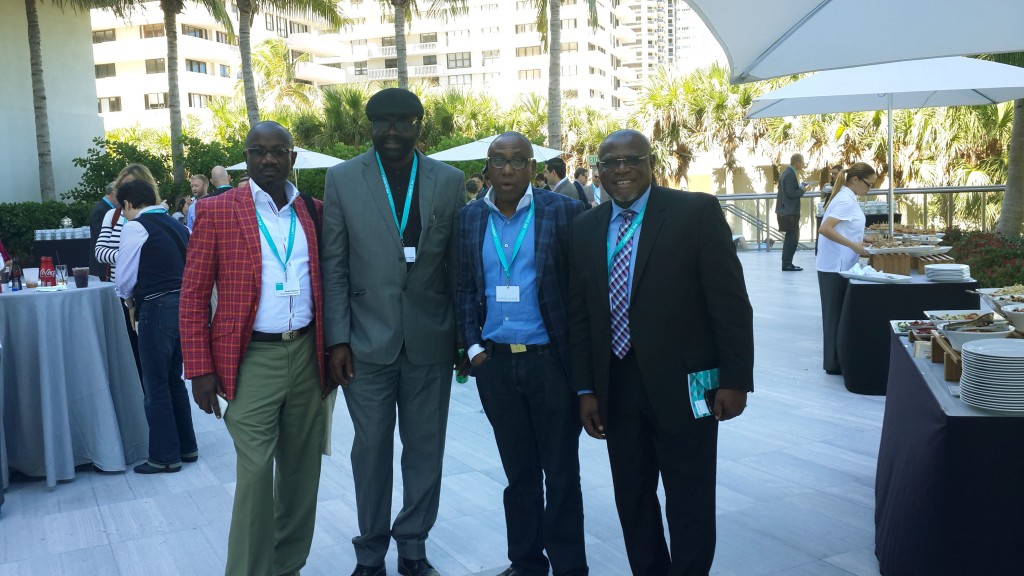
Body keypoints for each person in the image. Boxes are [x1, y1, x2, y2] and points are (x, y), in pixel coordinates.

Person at [568, 130, 754, 575]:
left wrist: (735, 379)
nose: (621, 170)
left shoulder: (695, 212)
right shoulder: (584, 228)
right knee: (631, 498)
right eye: (610, 163)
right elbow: (580, 317)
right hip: (617, 385)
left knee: (689, 498)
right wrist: (585, 389)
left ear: (651, 163)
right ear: (599, 170)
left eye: (632, 159)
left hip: (686, 385)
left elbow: (729, 302)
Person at [321, 88, 465, 576]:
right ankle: (370, 554)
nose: (392, 131)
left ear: (419, 125)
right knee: (372, 451)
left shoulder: (449, 180)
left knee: (425, 450)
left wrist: (464, 338)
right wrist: (337, 339)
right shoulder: (341, 179)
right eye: (382, 122)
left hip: (430, 340)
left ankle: (413, 546)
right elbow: (334, 266)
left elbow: (458, 268)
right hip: (365, 342)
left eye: (403, 122)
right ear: (370, 126)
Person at [180, 121, 330, 576]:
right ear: (245, 157)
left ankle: (287, 566)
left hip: (307, 354)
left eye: (278, 151)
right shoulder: (217, 210)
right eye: (258, 151)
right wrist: (199, 368)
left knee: (302, 474)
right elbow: (192, 294)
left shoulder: (314, 211)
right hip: (251, 360)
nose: (268, 159)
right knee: (255, 475)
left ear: (292, 158)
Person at [456, 132, 588, 576]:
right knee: (520, 478)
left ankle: (570, 567)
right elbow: (463, 287)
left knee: (563, 475)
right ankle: (527, 564)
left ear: (533, 168)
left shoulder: (563, 211)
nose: (508, 169)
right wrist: (473, 348)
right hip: (495, 364)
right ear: (487, 167)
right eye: (499, 161)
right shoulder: (471, 218)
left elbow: (580, 289)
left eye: (518, 161)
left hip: (550, 361)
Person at [113, 179, 197, 474]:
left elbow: (123, 277)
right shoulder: (178, 225)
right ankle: (187, 447)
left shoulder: (135, 226)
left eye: (121, 210)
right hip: (185, 307)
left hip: (156, 306)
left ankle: (164, 456)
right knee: (174, 378)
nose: (122, 215)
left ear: (127, 204)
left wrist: (127, 303)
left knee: (155, 382)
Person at [816, 162, 876, 376]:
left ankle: (837, 361)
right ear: (855, 180)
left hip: (839, 264)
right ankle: (833, 363)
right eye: (868, 185)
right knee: (834, 317)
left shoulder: (847, 197)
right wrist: (854, 245)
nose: (869, 189)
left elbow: (845, 228)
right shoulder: (845, 200)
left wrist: (862, 240)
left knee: (838, 316)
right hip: (835, 266)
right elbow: (825, 228)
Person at [776, 153, 809, 271]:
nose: (803, 165)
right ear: (797, 162)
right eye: (802, 162)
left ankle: (787, 263)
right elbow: (790, 193)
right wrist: (803, 190)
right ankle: (787, 264)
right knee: (792, 239)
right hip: (790, 212)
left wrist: (799, 187)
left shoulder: (787, 173)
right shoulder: (790, 174)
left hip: (788, 210)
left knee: (791, 238)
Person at [90, 180, 118, 279]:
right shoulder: (101, 209)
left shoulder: (104, 208)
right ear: (113, 193)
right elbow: (101, 235)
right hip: (103, 264)